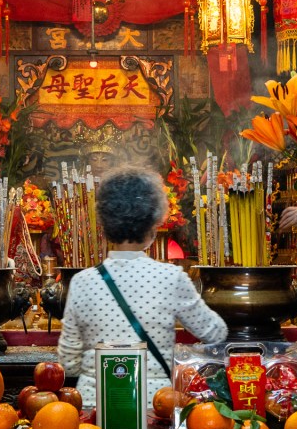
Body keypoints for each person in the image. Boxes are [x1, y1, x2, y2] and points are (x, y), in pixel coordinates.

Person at [58, 166, 228, 402]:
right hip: (154, 404)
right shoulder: (171, 277)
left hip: (94, 404)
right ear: (153, 222)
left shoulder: (82, 282)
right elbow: (216, 332)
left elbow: (68, 361)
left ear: (105, 223)